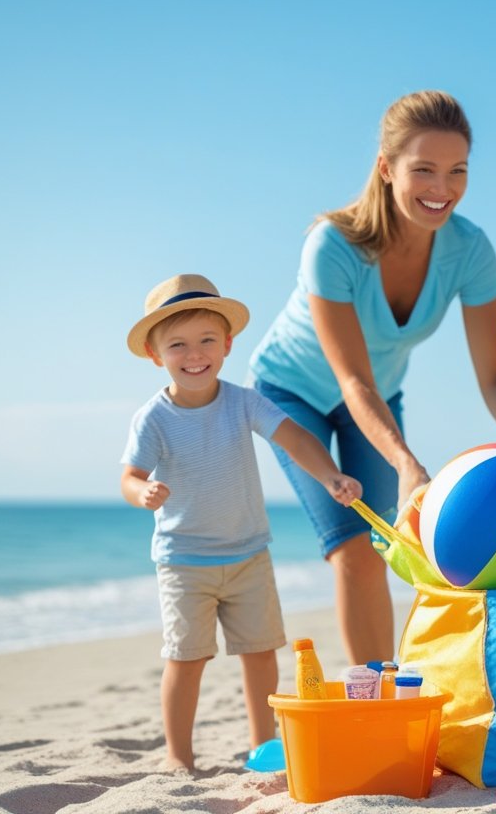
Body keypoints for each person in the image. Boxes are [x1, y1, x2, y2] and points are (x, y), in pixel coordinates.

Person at [248, 91, 496, 665]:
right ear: (386, 168)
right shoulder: (332, 245)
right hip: (292, 391)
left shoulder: (470, 250)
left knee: (378, 547)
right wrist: (407, 461)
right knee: (352, 546)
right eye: (423, 170)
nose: (442, 189)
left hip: (376, 400)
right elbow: (352, 380)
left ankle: (381, 689)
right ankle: (371, 697)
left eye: (457, 172)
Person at [120, 274, 362, 771]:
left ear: (227, 344)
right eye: (178, 345)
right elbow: (129, 475)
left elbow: (293, 438)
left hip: (249, 553)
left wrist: (330, 475)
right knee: (186, 658)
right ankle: (178, 757)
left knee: (259, 652)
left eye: (207, 340)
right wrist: (142, 492)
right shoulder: (154, 418)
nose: (195, 354)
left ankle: (261, 746)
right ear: (155, 353)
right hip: (185, 562)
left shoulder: (243, 401)